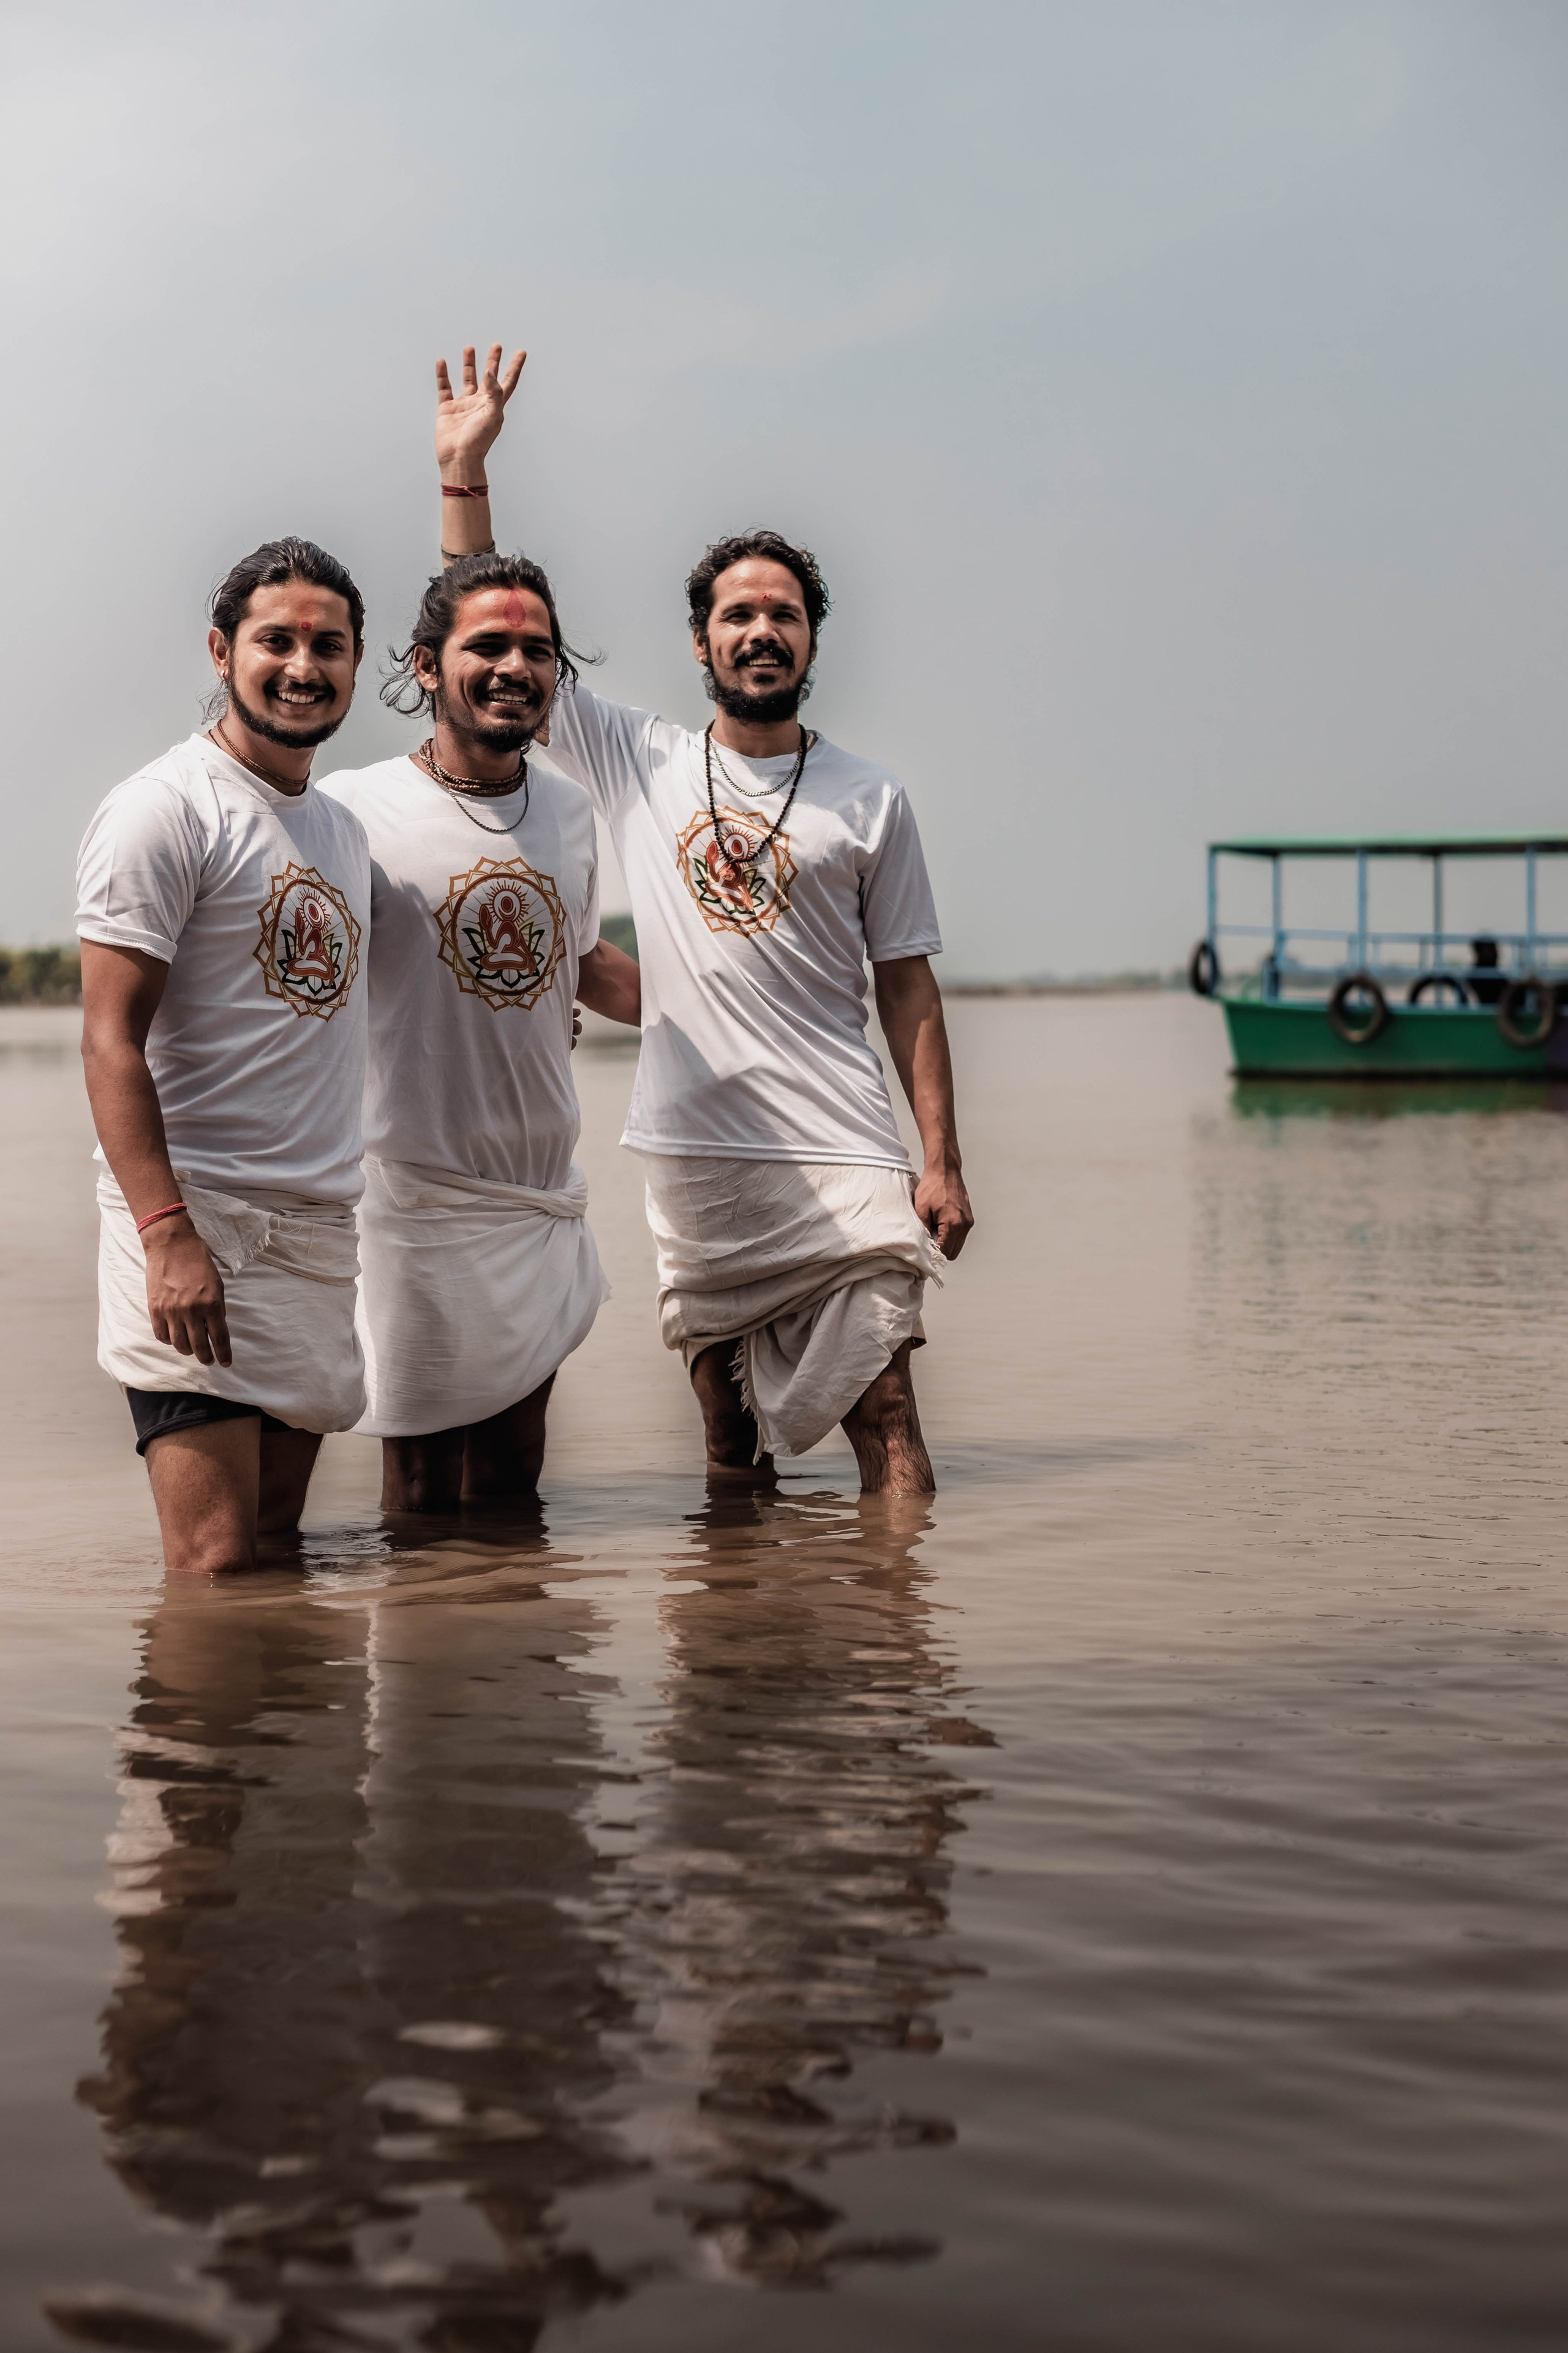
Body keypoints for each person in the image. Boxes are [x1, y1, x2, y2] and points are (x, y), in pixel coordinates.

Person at [437, 346, 973, 1495]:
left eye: (784, 614)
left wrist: (942, 1159)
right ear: (702, 643)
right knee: (729, 1453)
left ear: (813, 641)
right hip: (698, 1154)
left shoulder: (873, 797)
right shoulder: (640, 759)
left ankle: (900, 1659)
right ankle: (732, 1663)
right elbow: (486, 617)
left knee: (891, 1421)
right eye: (738, 615)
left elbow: (909, 987)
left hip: (846, 1148)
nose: (761, 632)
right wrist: (464, 471)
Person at [320, 349, 640, 1511]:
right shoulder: (353, 810)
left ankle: (514, 1690)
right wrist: (461, 476)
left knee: (515, 1493)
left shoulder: (566, 807)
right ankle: (423, 1693)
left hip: (537, 1198)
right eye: (487, 651)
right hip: (408, 1200)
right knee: (418, 1495)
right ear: (424, 669)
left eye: (536, 651)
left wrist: (732, 997)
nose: (514, 667)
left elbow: (583, 966)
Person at [77, 540, 373, 1575]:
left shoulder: (340, 830)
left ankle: (285, 1741)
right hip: (195, 1229)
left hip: (314, 1232)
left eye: (327, 645)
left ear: (356, 658)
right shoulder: (164, 809)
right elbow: (110, 1039)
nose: (303, 665)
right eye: (276, 640)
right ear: (222, 650)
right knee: (211, 1568)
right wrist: (167, 1233)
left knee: (278, 1554)